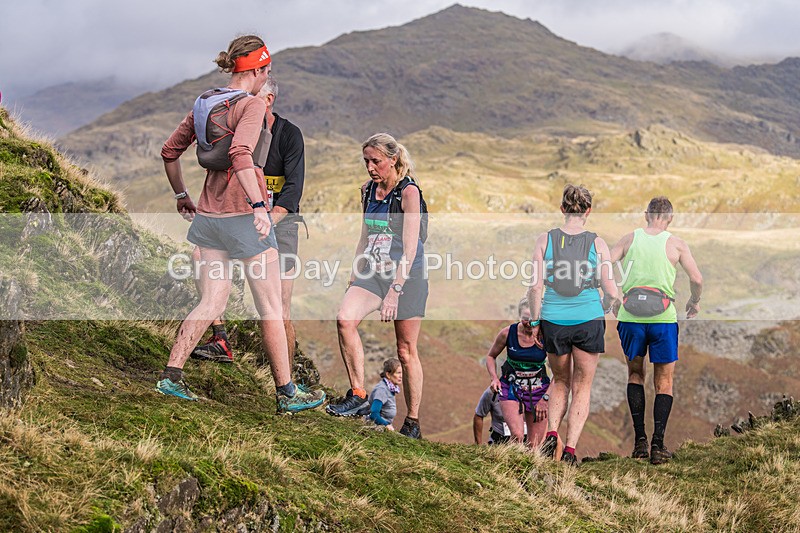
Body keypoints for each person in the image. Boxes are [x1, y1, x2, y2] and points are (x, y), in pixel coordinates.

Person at [156, 35, 324, 413]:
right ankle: (287, 394)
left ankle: (171, 376)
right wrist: (259, 207)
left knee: (212, 300)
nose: (268, 77)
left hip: (209, 217)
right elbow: (241, 154)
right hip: (243, 219)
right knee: (271, 308)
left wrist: (182, 196)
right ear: (258, 71)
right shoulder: (249, 106)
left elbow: (169, 152)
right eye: (267, 70)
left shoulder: (205, 101)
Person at [191, 77, 308, 375]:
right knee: (198, 259)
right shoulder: (239, 129)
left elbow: (292, 192)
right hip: (241, 220)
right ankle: (221, 340)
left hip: (278, 223)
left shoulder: (289, 135)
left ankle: (288, 380)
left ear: (267, 101)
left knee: (278, 305)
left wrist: (265, 222)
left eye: (251, 96)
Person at [326, 133, 428, 440]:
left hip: (408, 277)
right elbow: (364, 235)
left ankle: (412, 421)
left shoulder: (409, 193)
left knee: (406, 350)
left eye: (376, 161)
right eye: (366, 161)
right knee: (345, 319)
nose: (370, 167)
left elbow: (411, 248)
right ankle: (357, 394)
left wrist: (395, 291)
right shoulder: (368, 191)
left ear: (393, 160)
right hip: (373, 271)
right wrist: (355, 272)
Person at [527, 184, 620, 466]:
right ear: (588, 210)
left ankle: (552, 432)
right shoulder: (597, 243)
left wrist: (535, 321)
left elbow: (535, 287)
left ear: (562, 208)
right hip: (588, 318)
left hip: (555, 318)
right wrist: (604, 307)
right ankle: (569, 450)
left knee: (560, 380)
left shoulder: (546, 239)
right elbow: (612, 290)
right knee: (582, 386)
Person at [610, 196, 703, 465]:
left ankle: (639, 442)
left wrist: (614, 296)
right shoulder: (676, 244)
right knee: (664, 381)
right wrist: (694, 301)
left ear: (646, 214)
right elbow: (696, 279)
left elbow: (602, 267)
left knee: (635, 374)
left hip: (631, 317)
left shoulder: (629, 239)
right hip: (662, 318)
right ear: (670, 218)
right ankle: (658, 446)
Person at [484, 298, 550, 447]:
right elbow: (490, 356)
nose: (529, 323)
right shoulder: (507, 333)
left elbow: (560, 375)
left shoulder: (547, 336)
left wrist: (546, 398)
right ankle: (511, 466)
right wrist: (494, 378)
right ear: (519, 316)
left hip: (538, 390)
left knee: (534, 445)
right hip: (511, 386)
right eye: (525, 318)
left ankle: (530, 469)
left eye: (534, 319)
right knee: (517, 435)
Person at [360, 358, 402, 430]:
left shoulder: (389, 389)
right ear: (388, 374)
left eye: (401, 373)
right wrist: (386, 426)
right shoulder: (382, 390)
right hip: (375, 427)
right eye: (398, 373)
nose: (401, 376)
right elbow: (374, 414)